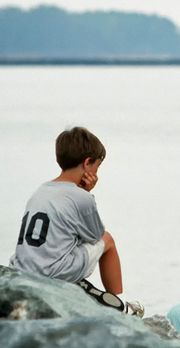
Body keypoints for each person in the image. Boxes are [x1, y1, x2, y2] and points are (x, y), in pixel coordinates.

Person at [10, 126, 142, 316]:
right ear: (87, 163)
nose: (97, 171)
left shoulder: (41, 190)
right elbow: (94, 236)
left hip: (23, 269)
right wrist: (86, 192)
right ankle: (121, 305)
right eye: (97, 166)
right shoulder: (81, 197)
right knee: (108, 240)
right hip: (53, 274)